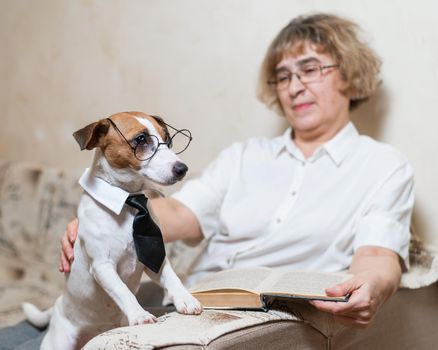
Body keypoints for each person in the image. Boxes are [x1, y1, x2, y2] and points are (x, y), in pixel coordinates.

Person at [1, 13, 414, 349]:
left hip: (253, 324)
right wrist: (105, 216)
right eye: (282, 76)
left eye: (310, 69)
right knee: (17, 336)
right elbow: (179, 211)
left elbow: (378, 255)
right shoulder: (245, 156)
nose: (294, 86)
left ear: (349, 75)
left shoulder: (382, 166)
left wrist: (372, 289)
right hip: (186, 304)